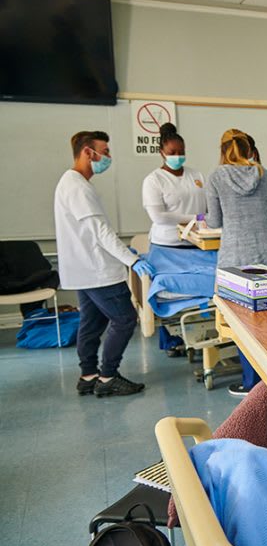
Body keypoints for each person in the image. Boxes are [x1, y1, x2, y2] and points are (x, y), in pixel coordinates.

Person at [54, 131, 153, 398]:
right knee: (124, 319)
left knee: (91, 321)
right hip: (97, 270)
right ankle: (108, 376)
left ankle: (88, 375)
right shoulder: (78, 187)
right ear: (88, 152)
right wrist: (132, 260)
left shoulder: (70, 182)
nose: (108, 157)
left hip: (82, 269)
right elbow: (100, 232)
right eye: (105, 151)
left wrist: (125, 253)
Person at [205, 129, 267, 273]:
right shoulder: (266, 174)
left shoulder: (216, 177)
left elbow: (214, 222)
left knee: (229, 296)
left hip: (236, 257)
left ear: (223, 151)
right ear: (249, 150)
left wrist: (204, 219)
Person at [141, 122, 206, 248]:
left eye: (181, 152)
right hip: (168, 243)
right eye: (172, 152)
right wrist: (197, 218)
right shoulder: (154, 180)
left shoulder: (196, 175)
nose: (177, 156)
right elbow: (158, 217)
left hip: (197, 240)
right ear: (162, 153)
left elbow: (208, 206)